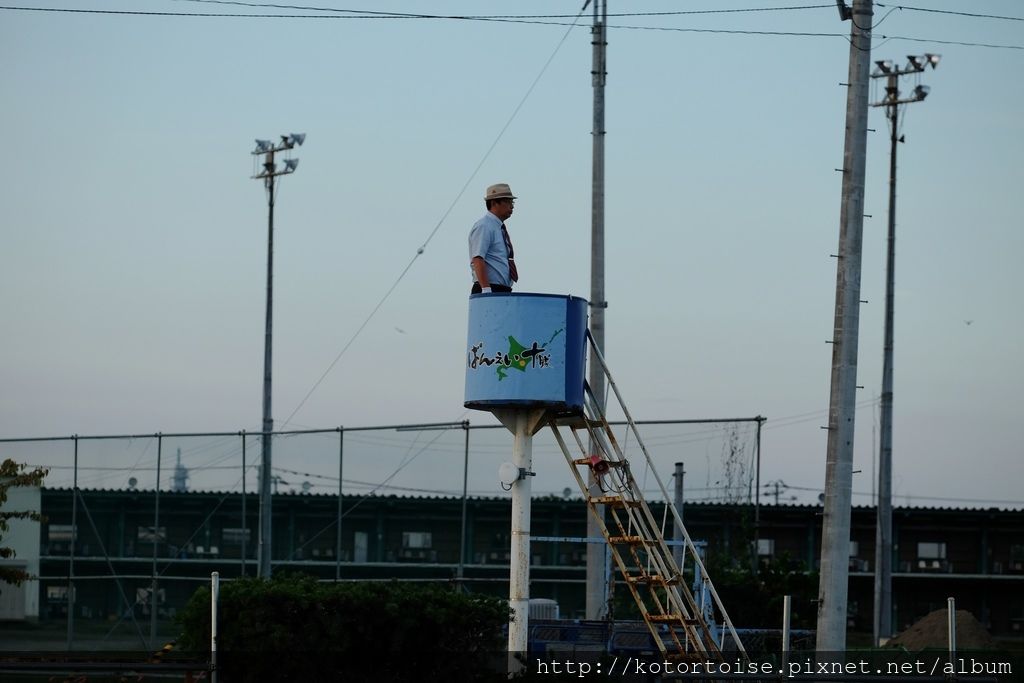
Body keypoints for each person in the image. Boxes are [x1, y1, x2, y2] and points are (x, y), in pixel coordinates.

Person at [469, 183, 519, 294]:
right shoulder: (484, 226)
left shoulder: (498, 227)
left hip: (501, 290)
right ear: (494, 203)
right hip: (489, 288)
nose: (512, 206)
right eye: (507, 202)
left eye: (512, 202)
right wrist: (486, 290)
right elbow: (477, 258)